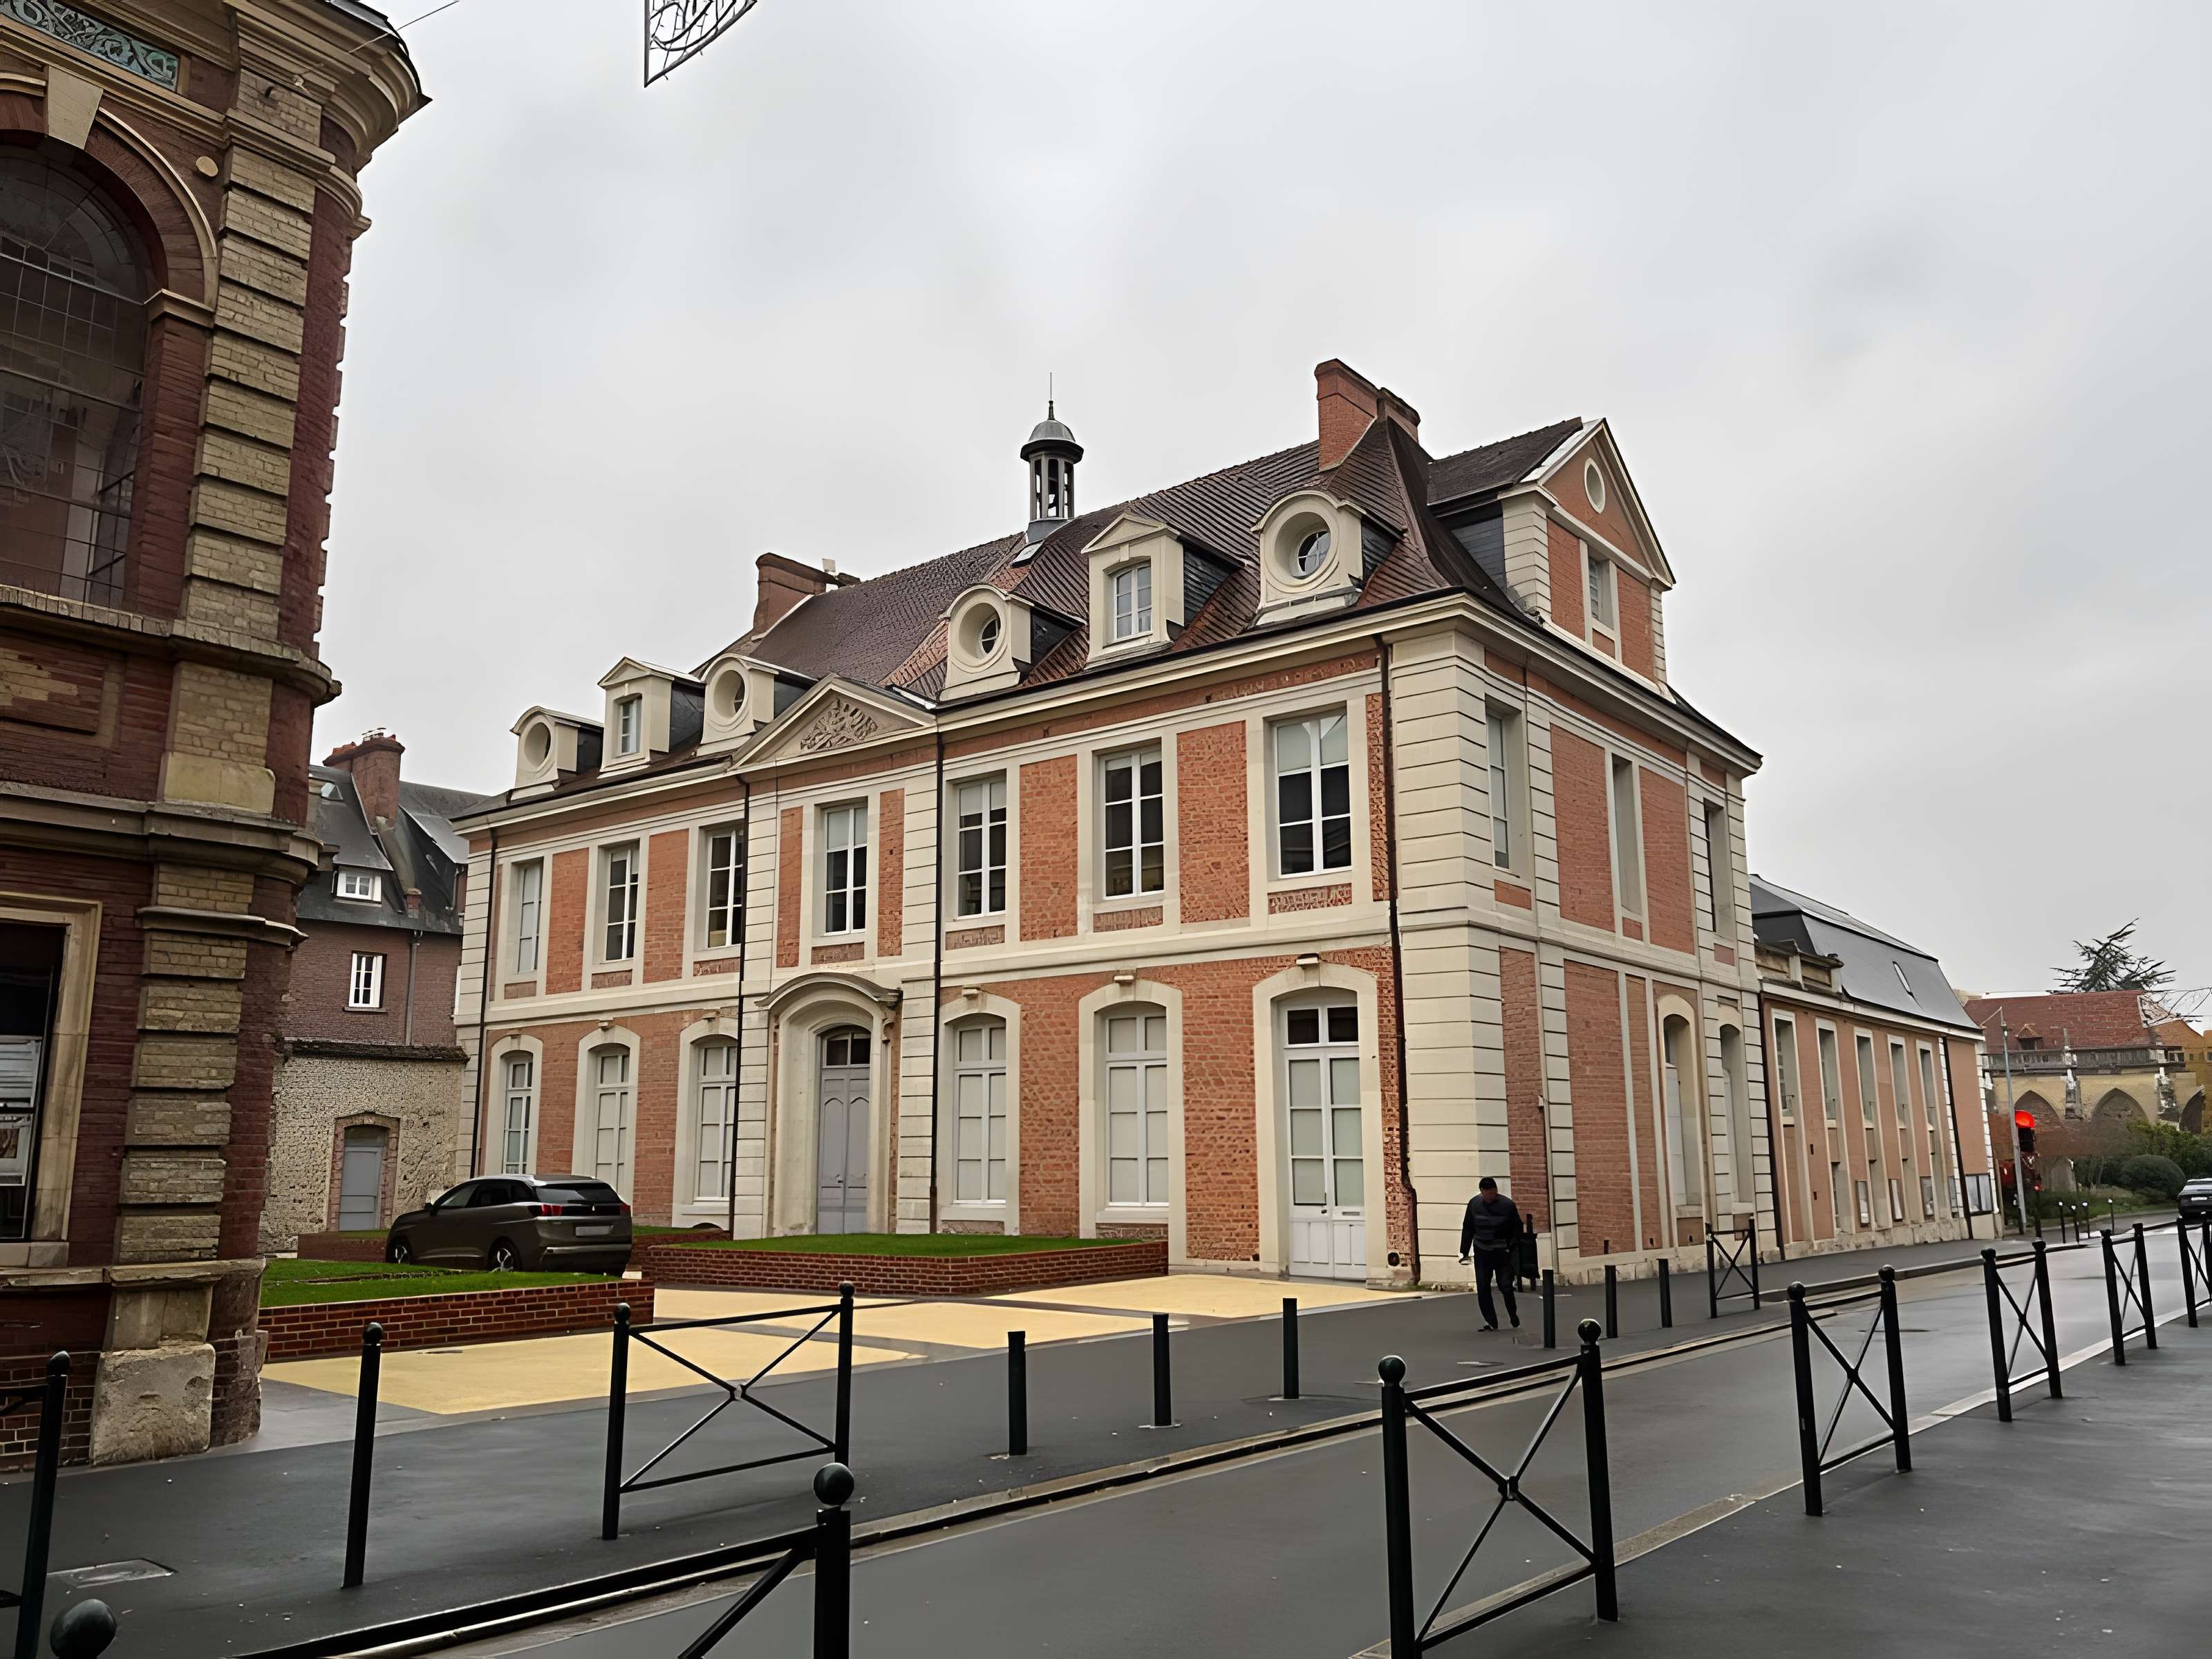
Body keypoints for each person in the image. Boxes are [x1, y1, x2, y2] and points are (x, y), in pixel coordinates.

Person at [1459, 1177, 1523, 1331]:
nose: (1489, 1196)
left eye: (1491, 1192)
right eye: (1486, 1193)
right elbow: (1468, 1228)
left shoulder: (1507, 1205)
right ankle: (1491, 1321)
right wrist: (1464, 1251)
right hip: (1482, 1250)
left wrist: (1511, 1248)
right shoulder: (1474, 1204)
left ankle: (1513, 1314)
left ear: (1496, 1191)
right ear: (1481, 1192)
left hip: (1501, 1250)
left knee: (1505, 1286)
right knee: (1482, 1287)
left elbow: (1517, 1228)